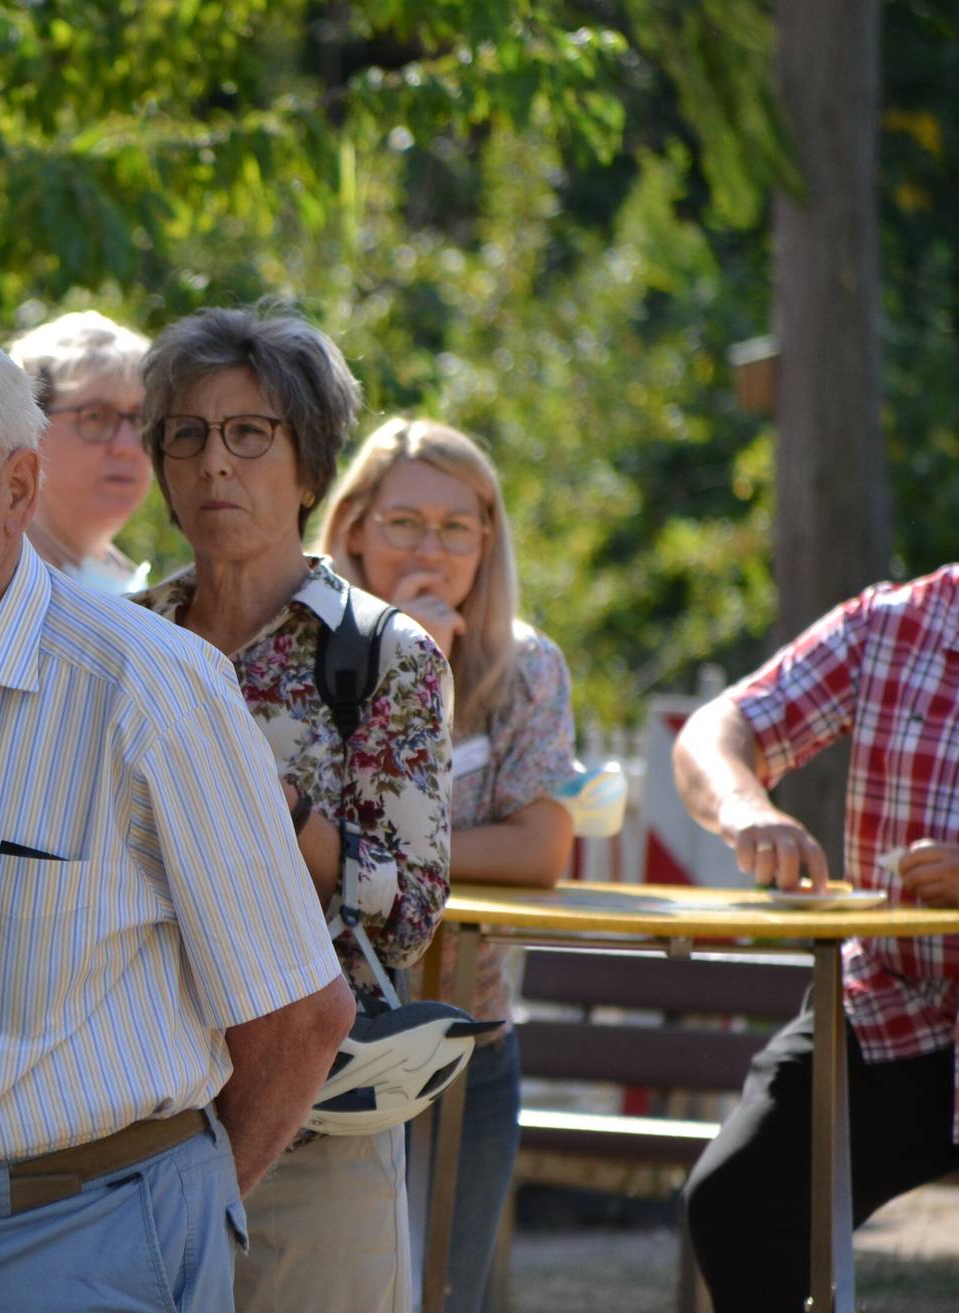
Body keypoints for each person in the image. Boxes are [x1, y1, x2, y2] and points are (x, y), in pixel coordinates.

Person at [0, 320, 354, 1313]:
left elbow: (301, 1014)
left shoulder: (151, 689)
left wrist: (180, 1218)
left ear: (17, 490)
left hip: (82, 1245)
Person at [131, 307, 453, 1313]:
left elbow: (408, 910)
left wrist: (280, 810)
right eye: (187, 434)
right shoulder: (120, 644)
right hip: (130, 1126)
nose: (214, 463)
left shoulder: (382, 654)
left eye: (248, 434)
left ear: (309, 468)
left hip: (315, 1126)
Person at [318, 417, 577, 1312]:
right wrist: (405, 661)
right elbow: (288, 837)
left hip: (471, 1034)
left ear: (487, 539)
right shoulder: (303, 650)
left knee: (442, 1296)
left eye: (456, 526)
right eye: (404, 524)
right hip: (320, 1038)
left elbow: (541, 849)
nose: (432, 547)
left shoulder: (528, 665)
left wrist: (378, 858)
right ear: (354, 527)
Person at [672, 566, 959, 1312]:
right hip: (895, 1010)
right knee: (735, 1204)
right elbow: (717, 729)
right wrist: (742, 804)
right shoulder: (893, 621)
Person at [6, 310, 154, 592]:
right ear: (30, 426)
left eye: (141, 419)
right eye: (95, 417)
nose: (127, 447)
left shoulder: (123, 577)